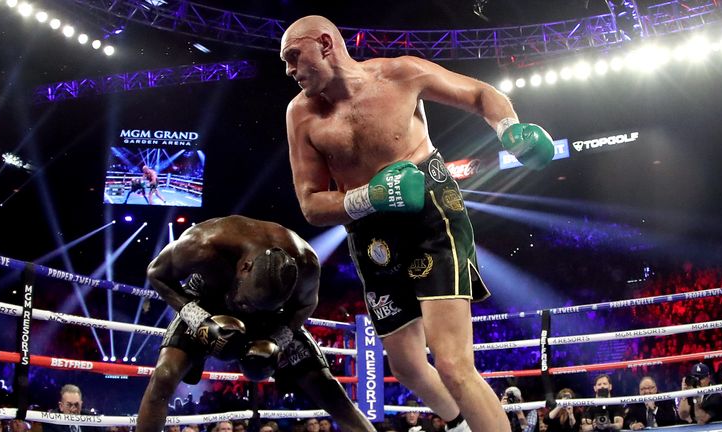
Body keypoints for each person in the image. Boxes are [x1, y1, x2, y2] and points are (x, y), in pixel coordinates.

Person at [280, 15, 554, 432]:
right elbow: (311, 204)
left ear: (325, 43)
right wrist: (368, 196)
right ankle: (462, 425)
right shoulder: (300, 115)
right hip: (369, 227)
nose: (289, 70)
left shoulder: (400, 74)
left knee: (452, 364)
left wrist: (509, 129)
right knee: (407, 366)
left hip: (431, 211)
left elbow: (482, 93)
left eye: (294, 57)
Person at [135, 216, 376, 432]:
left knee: (327, 388)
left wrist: (278, 338)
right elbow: (156, 272)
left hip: (273, 318)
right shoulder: (203, 244)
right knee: (164, 375)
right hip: (207, 303)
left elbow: (306, 305)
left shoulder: (306, 264)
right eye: (246, 301)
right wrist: (197, 318)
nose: (247, 309)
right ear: (244, 267)